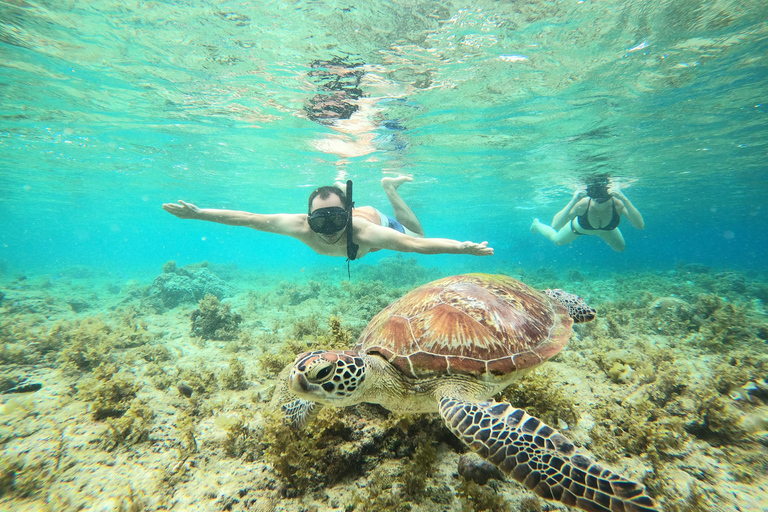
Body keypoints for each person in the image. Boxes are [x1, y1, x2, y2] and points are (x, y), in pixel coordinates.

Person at [162, 176, 493, 259]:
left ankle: (389, 188)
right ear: (308, 219)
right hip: (354, 218)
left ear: (346, 216)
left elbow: (413, 245)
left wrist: (461, 248)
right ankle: (352, 185)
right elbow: (248, 218)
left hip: (374, 217)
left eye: (337, 220)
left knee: (419, 233)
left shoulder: (363, 231)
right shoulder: (298, 226)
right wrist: (198, 214)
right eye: (320, 222)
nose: (329, 230)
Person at [530, 178, 644, 252]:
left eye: (603, 191)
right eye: (594, 191)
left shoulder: (618, 204)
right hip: (579, 228)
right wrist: (573, 200)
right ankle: (537, 224)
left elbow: (640, 225)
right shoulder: (583, 204)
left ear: (610, 191)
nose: (599, 195)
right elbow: (555, 225)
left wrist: (625, 199)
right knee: (556, 240)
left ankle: (601, 233)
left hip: (607, 230)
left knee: (620, 248)